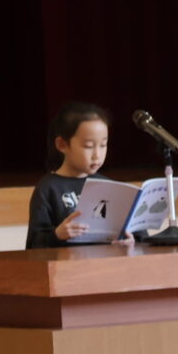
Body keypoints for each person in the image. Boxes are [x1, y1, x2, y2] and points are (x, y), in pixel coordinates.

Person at [25, 101, 130, 250]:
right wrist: (57, 235)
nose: (97, 155)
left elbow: (135, 234)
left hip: (105, 267)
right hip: (67, 269)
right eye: (88, 146)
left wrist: (131, 240)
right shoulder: (48, 188)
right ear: (62, 145)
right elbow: (33, 245)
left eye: (103, 145)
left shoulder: (108, 186)